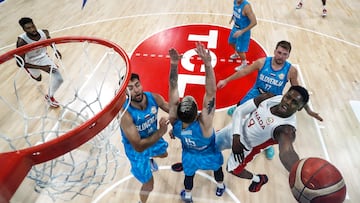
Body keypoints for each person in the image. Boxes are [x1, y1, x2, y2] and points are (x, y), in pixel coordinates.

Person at [217, 40, 323, 160]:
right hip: (255, 94)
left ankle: (267, 147)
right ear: (275, 51)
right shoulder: (262, 62)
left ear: (288, 55)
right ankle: (226, 132)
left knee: (267, 127)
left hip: (272, 102)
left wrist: (308, 111)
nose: (281, 56)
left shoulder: (291, 71)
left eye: (284, 54)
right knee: (240, 115)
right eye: (279, 52)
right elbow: (244, 71)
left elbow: (298, 92)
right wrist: (226, 80)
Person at [215, 85, 310, 192]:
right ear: (285, 94)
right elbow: (239, 111)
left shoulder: (286, 130)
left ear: (300, 108)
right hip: (235, 129)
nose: (288, 102)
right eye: (288, 97)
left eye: (294, 102)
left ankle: (258, 179)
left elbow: (287, 152)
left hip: (246, 148)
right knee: (211, 144)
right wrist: (236, 138)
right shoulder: (268, 97)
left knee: (232, 170)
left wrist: (299, 173)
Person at [168, 43, 225, 203]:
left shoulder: (175, 124)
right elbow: (211, 92)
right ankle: (220, 186)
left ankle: (188, 195)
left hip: (190, 155)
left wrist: (174, 64)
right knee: (217, 170)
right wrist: (207, 64)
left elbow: (173, 88)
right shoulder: (204, 123)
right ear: (196, 114)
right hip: (209, 152)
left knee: (189, 176)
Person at [119, 73, 170, 203]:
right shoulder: (125, 115)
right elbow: (139, 146)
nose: (136, 90)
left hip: (151, 137)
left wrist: (191, 114)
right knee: (149, 185)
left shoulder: (153, 97)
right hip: (136, 151)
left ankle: (150, 158)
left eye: (137, 85)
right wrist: (161, 131)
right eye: (130, 88)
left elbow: (171, 109)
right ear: (125, 92)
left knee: (164, 154)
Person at [16, 17, 64, 108]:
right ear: (24, 29)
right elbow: (19, 63)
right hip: (29, 62)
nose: (32, 29)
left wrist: (55, 50)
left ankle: (49, 97)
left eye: (33, 26)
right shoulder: (22, 41)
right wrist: (42, 67)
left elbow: (50, 41)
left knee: (59, 79)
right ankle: (32, 73)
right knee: (38, 79)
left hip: (43, 57)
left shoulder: (44, 32)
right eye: (28, 28)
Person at [228, 0, 257, 71]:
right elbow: (235, 11)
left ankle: (244, 64)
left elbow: (254, 22)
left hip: (243, 31)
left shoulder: (246, 7)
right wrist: (232, 18)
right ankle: (237, 53)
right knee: (231, 42)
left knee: (240, 50)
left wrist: (242, 31)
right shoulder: (235, 1)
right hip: (235, 27)